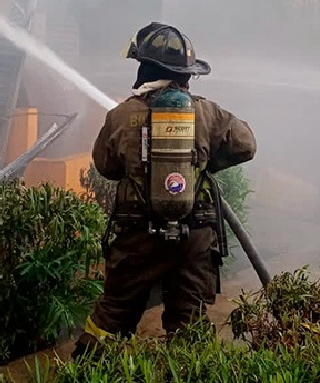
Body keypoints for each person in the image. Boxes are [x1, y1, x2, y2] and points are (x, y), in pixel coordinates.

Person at [72, 22, 256, 358]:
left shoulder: (121, 115)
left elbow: (105, 167)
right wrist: (202, 163)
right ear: (185, 74)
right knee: (189, 325)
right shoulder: (207, 112)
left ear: (145, 68)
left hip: (138, 236)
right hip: (195, 235)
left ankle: (87, 370)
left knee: (112, 314)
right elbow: (246, 145)